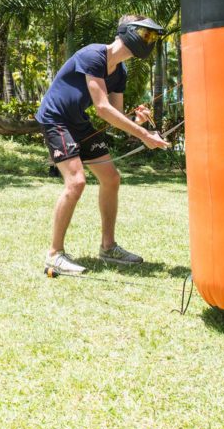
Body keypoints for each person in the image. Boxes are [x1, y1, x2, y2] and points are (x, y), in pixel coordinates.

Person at [36, 15, 170, 276]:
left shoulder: (120, 71)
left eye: (153, 37)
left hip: (78, 121)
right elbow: (102, 108)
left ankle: (108, 248)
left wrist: (135, 119)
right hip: (56, 119)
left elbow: (114, 114)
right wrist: (144, 134)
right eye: (147, 34)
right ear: (128, 32)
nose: (150, 41)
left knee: (111, 178)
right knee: (76, 182)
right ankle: (54, 255)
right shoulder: (94, 55)